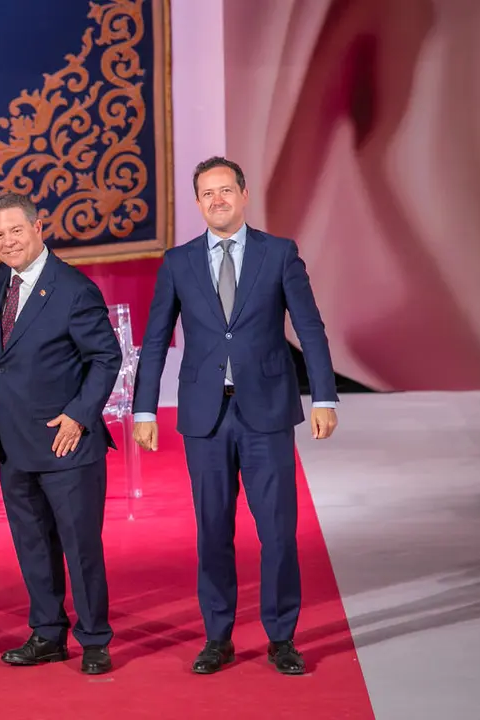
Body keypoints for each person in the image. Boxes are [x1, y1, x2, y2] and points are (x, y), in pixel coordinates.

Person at [131, 157, 339, 676]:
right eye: (208, 193)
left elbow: (309, 327)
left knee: (277, 531)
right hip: (205, 416)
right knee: (212, 531)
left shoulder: (279, 253)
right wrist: (144, 407)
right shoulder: (178, 262)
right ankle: (217, 636)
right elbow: (156, 339)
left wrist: (326, 397)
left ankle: (281, 637)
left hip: (266, 411)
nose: (217, 200)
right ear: (198, 202)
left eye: (226, 190)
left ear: (245, 195)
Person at [0, 192, 122, 675]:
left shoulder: (73, 289)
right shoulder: (0, 281)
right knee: (32, 544)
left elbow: (106, 357)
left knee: (79, 545)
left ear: (38, 228)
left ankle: (94, 639)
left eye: (15, 231)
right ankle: (47, 633)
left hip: (67, 444)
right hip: (14, 443)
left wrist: (80, 415)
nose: (7, 242)